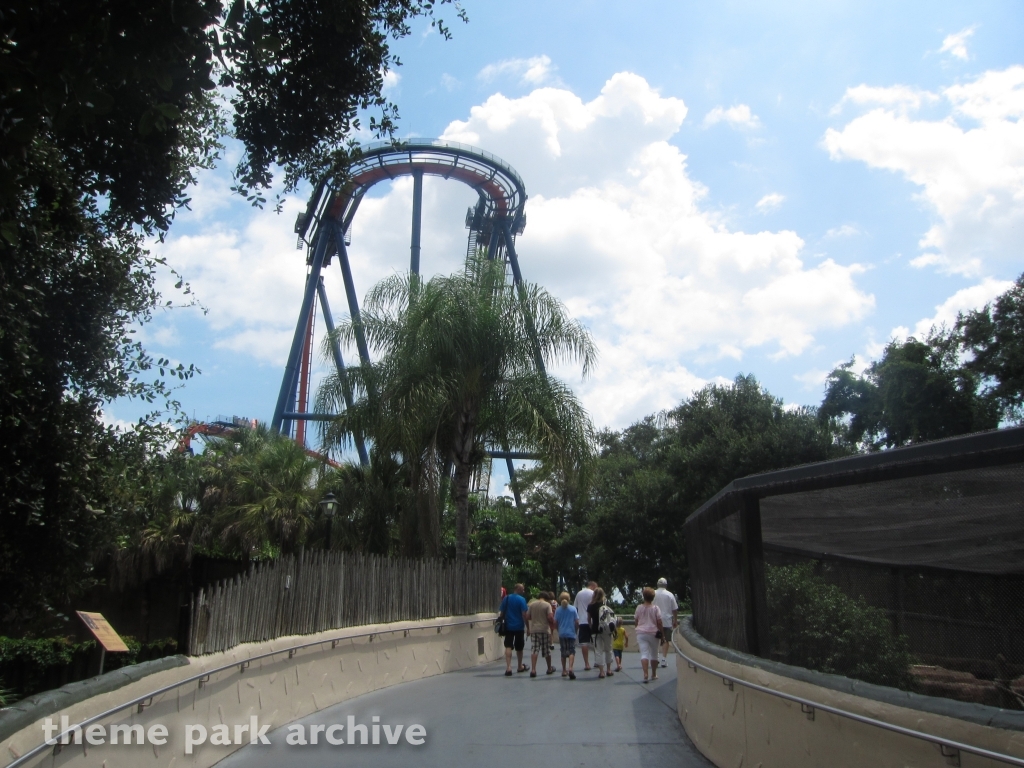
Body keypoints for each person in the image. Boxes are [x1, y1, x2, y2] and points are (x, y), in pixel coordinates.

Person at [499, 583, 529, 676]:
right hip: (519, 626)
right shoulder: (522, 600)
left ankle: (508, 667)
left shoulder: (506, 598)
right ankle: (520, 666)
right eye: (523, 589)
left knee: (508, 646)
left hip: (508, 626)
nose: (523, 591)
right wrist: (528, 627)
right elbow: (524, 614)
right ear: (519, 589)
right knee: (519, 648)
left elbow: (502, 612)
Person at [635, 586, 664, 683]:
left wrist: (637, 628)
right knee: (654, 654)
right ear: (653, 597)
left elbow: (636, 620)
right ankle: (654, 673)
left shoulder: (639, 607)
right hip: (653, 633)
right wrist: (662, 634)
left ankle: (645, 674)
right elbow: (659, 622)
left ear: (644, 596)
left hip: (641, 633)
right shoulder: (656, 608)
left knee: (644, 653)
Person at [526, 590, 556, 677]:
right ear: (546, 598)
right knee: (546, 650)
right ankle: (549, 668)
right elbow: (550, 617)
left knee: (534, 649)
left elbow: (528, 616)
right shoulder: (547, 605)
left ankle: (533, 669)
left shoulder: (532, 605)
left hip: (534, 629)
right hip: (544, 629)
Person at [587, 587, 615, 679]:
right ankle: (609, 670)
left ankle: (601, 671)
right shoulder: (606, 604)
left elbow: (589, 619)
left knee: (598, 651)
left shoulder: (590, 606)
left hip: (596, 630)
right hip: (606, 630)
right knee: (608, 649)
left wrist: (591, 627)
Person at [653, 577, 679, 667]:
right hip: (667, 621)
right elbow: (674, 609)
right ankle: (664, 659)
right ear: (666, 585)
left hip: (655, 620)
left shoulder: (653, 593)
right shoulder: (670, 595)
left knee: (655, 639)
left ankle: (656, 658)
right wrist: (675, 620)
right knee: (665, 640)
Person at [554, 591, 579, 680]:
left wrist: (558, 630)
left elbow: (555, 622)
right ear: (569, 599)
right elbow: (577, 622)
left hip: (562, 633)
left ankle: (564, 670)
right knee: (572, 651)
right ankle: (570, 668)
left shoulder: (558, 610)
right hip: (571, 633)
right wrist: (576, 630)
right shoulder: (573, 609)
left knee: (563, 652)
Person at [573, 581, 596, 670]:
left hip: (582, 621)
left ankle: (586, 663)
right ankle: (597, 661)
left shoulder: (579, 593)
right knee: (596, 642)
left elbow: (575, 607)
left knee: (584, 643)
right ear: (593, 586)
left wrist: (576, 620)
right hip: (592, 621)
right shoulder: (593, 593)